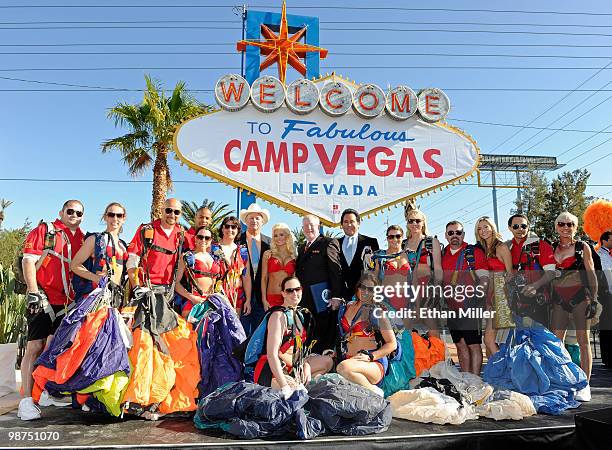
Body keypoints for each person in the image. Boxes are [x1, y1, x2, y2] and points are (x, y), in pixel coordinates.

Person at [123, 198, 199, 420]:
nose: (172, 215)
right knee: (144, 344)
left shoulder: (182, 234)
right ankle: (138, 397)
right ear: (162, 210)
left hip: (167, 296)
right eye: (169, 210)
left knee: (167, 347)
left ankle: (159, 396)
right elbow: (133, 258)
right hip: (146, 293)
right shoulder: (146, 230)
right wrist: (136, 285)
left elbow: (203, 245)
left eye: (176, 212)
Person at [19, 200, 85, 421]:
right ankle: (26, 401)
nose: (74, 215)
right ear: (61, 212)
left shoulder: (82, 238)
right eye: (70, 211)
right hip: (43, 297)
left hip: (67, 302)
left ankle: (46, 391)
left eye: (79, 212)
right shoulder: (46, 230)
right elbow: (28, 261)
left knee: (55, 348)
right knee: (35, 346)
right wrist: (33, 291)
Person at [252, 276, 332, 398]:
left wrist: (305, 365)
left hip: (294, 367)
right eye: (289, 290)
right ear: (283, 293)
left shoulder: (299, 314)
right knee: (298, 395)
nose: (294, 293)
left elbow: (299, 350)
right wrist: (284, 386)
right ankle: (296, 384)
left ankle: (302, 383)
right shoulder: (278, 316)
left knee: (327, 362)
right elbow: (272, 354)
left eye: (297, 289)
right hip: (273, 371)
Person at [550, 211, 598, 401]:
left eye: (570, 224)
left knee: (583, 341)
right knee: (556, 343)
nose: (566, 227)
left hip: (580, 297)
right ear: (556, 227)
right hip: (558, 299)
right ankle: (560, 381)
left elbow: (592, 273)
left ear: (575, 227)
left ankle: (585, 385)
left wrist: (594, 299)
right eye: (562, 224)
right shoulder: (551, 247)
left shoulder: (582, 247)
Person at [332, 273, 397, 397]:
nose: (366, 292)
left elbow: (392, 343)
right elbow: (343, 335)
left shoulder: (377, 312)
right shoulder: (347, 307)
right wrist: (335, 352)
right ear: (357, 288)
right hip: (348, 359)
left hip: (372, 363)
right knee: (315, 364)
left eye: (370, 289)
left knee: (343, 368)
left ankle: (375, 393)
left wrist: (371, 356)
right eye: (363, 287)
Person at [441, 221, 489, 375]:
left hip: (470, 305)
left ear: (463, 234)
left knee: (473, 344)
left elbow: (484, 278)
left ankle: (475, 379)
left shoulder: (473, 252)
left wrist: (477, 296)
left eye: (458, 232)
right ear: (446, 236)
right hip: (451, 308)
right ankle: (465, 377)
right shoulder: (442, 254)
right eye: (451, 233)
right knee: (460, 344)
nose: (455, 235)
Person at [295, 214, 344, 354]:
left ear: (318, 226)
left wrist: (336, 296)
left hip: (323, 300)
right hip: (305, 300)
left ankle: (323, 367)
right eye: (305, 226)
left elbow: (335, 270)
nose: (308, 228)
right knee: (308, 335)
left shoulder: (328, 242)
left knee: (323, 336)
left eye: (311, 225)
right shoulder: (301, 247)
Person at [71, 202, 128, 304]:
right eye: (111, 215)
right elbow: (74, 265)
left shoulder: (123, 245)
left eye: (119, 215)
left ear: (124, 218)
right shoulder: (95, 240)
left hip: (116, 298)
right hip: (96, 298)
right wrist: (97, 279)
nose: (115, 219)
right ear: (105, 217)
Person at [506, 214, 556, 326]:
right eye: (516, 226)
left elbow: (551, 273)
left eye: (523, 226)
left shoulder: (541, 245)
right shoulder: (506, 248)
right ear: (509, 228)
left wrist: (536, 285)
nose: (520, 229)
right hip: (514, 304)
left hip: (538, 303)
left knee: (539, 341)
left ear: (528, 226)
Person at [475, 216, 514, 357]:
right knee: (489, 341)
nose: (483, 231)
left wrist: (502, 296)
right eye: (480, 228)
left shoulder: (501, 247)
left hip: (500, 295)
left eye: (486, 226)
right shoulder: (483, 249)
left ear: (492, 227)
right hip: (489, 296)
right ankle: (495, 373)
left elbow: (510, 274)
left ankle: (503, 370)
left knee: (489, 339)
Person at [403, 208, 443, 335]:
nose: (414, 224)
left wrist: (436, 289)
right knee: (407, 324)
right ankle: (413, 353)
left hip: (427, 287)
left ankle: (436, 354)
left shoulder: (431, 242)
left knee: (430, 322)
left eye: (417, 221)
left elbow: (438, 268)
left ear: (423, 223)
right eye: (411, 221)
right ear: (407, 224)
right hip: (407, 289)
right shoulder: (403, 243)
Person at [239, 203, 271, 336]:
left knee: (260, 333)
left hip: (263, 296)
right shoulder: (237, 240)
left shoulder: (269, 243)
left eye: (257, 218)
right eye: (251, 218)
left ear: (262, 221)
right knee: (241, 331)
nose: (254, 221)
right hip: (241, 295)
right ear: (246, 221)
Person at [175, 226, 221, 317]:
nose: (203, 240)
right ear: (195, 238)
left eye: (207, 238)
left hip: (211, 303)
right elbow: (176, 283)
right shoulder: (187, 256)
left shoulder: (215, 258)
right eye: (200, 237)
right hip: (193, 304)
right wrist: (192, 298)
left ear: (211, 240)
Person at [337, 208, 379, 301]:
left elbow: (376, 269)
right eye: (345, 222)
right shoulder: (335, 243)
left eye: (352, 221)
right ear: (341, 225)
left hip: (365, 294)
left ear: (358, 223)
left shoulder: (371, 242)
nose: (349, 225)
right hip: (342, 297)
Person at [213, 216, 251, 315]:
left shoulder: (243, 251)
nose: (230, 229)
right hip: (217, 295)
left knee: (234, 327)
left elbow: (246, 277)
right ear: (222, 228)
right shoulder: (213, 248)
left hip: (236, 296)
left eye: (233, 227)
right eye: (227, 226)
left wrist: (248, 300)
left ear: (238, 230)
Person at [261, 223, 297, 310]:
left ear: (287, 236)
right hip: (271, 297)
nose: (278, 238)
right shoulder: (268, 254)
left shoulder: (294, 256)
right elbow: (264, 278)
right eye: (275, 236)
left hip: (288, 297)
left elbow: (294, 279)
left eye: (281, 234)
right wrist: (264, 300)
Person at [375, 225, 411, 312]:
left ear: (402, 238)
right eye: (391, 237)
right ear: (387, 239)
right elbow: (375, 280)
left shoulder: (410, 255)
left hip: (407, 302)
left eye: (398, 236)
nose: (395, 239)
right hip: (386, 302)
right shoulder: (380, 256)